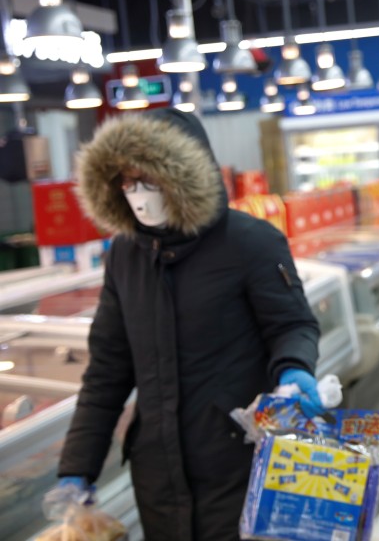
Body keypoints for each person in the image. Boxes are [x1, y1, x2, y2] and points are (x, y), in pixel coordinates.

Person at [51, 109, 322, 541]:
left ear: (184, 175)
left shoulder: (250, 241)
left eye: (150, 179)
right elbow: (107, 372)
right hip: (158, 476)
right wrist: (76, 469)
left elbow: (292, 325)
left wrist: (293, 367)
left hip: (241, 464)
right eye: (127, 181)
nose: (138, 193)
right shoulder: (124, 256)